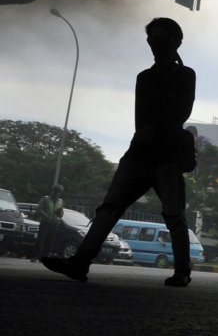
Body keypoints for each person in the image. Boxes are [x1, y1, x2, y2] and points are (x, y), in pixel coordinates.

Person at [43, 17, 196, 286]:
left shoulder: (185, 75)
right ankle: (80, 262)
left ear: (175, 43)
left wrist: (155, 130)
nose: (154, 44)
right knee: (109, 209)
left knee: (174, 215)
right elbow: (142, 119)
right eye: (151, 39)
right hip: (139, 154)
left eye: (160, 39)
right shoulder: (145, 78)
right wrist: (151, 131)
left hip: (167, 157)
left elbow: (181, 112)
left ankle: (182, 271)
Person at [35, 184, 65, 260]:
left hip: (54, 223)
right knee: (41, 239)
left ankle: (46, 256)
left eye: (58, 192)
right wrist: (45, 215)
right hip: (45, 222)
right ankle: (37, 256)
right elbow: (39, 209)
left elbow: (61, 213)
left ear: (60, 193)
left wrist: (60, 213)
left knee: (50, 240)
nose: (56, 193)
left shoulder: (60, 201)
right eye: (55, 191)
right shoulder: (45, 199)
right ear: (52, 191)